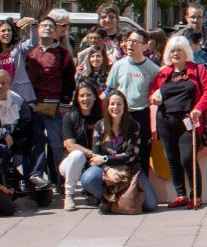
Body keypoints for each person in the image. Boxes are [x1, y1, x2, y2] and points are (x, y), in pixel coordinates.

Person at [148, 36, 207, 208]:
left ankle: (196, 196)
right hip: (166, 121)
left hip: (188, 121)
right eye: (173, 51)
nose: (176, 54)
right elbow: (153, 93)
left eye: (179, 50)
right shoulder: (163, 73)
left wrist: (199, 108)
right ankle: (181, 195)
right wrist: (154, 98)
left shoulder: (198, 69)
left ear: (186, 53)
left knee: (187, 158)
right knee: (172, 158)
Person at [80, 89, 158, 214]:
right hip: (105, 170)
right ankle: (107, 200)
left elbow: (130, 155)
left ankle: (116, 202)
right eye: (112, 104)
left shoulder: (133, 126)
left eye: (119, 104)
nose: (115, 107)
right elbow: (96, 155)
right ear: (107, 106)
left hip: (129, 168)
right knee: (87, 179)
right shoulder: (99, 126)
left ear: (125, 107)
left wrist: (106, 159)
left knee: (151, 204)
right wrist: (108, 169)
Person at [24, 15, 76, 187]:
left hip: (54, 105)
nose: (47, 28)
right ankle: (33, 178)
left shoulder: (62, 53)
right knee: (34, 142)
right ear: (38, 29)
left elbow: (70, 80)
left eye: (50, 26)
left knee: (57, 145)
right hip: (33, 104)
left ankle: (61, 180)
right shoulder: (30, 51)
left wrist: (64, 102)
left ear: (55, 32)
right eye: (43, 25)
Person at [107, 30, 160, 177]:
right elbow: (109, 90)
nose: (130, 44)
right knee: (120, 150)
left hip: (141, 114)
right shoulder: (118, 65)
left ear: (145, 46)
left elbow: (157, 91)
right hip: (121, 115)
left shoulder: (153, 69)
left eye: (135, 42)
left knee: (142, 152)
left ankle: (141, 187)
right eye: (129, 40)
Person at [57, 81, 103, 210]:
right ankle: (69, 196)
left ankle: (92, 192)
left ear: (95, 96)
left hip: (95, 161)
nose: (85, 99)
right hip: (71, 162)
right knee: (78, 155)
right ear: (77, 98)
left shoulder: (101, 116)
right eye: (82, 95)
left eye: (89, 95)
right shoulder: (70, 116)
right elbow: (70, 145)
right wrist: (90, 153)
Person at [0, 18, 36, 106]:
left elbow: (34, 43)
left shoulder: (18, 48)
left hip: (21, 95)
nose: (6, 33)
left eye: (9, 30)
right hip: (2, 96)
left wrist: (34, 25)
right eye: (3, 31)